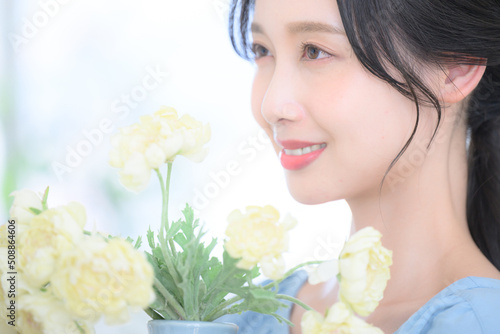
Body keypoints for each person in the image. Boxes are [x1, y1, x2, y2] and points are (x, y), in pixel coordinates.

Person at [217, 0, 500, 333]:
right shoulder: (245, 316)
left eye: (314, 51)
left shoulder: (482, 322)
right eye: (263, 50)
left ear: (456, 67)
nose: (271, 105)